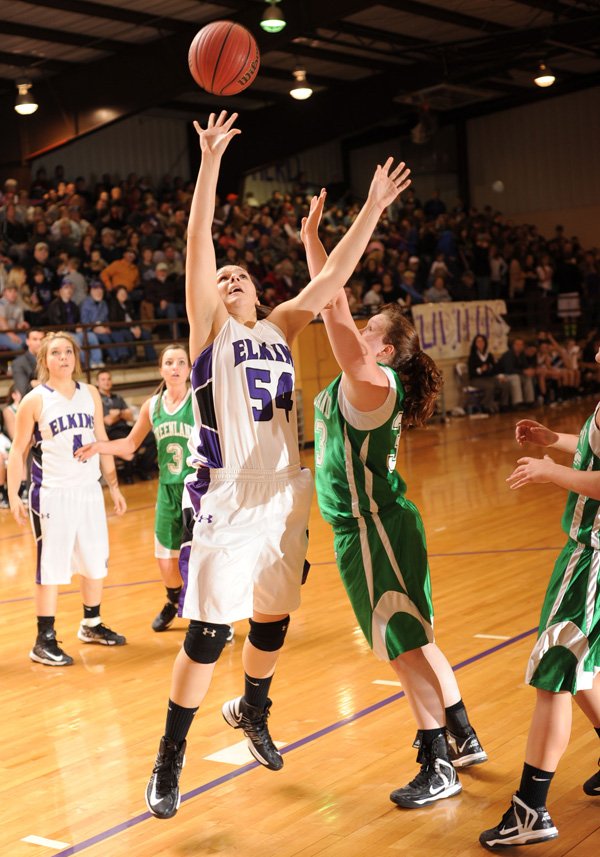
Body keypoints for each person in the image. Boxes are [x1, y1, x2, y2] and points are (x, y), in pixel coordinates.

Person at [144, 110, 411, 820]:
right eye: (221, 277)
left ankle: (253, 709)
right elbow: (198, 238)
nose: (228, 278)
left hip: (282, 496)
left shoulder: (281, 324)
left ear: (260, 293)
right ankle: (170, 756)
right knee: (206, 633)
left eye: (240, 276)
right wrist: (208, 163)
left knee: (271, 621)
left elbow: (335, 276)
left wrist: (373, 210)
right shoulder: (210, 331)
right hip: (229, 494)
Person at [303, 193, 486, 810]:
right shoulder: (358, 377)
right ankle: (460, 733)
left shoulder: (374, 378)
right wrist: (311, 240)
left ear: (383, 350)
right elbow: (332, 295)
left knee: (404, 647)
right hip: (369, 526)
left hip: (374, 525)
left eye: (370, 328)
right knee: (414, 639)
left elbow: (332, 307)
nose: (359, 327)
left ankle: (437, 760)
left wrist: (371, 209)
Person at [479, 413, 600, 848]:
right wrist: (556, 440)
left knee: (554, 674)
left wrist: (553, 472)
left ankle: (530, 809)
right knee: (579, 667)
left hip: (592, 560)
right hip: (587, 556)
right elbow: (594, 449)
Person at [6, 331, 127, 667]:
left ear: (76, 357)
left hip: (88, 490)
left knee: (94, 560)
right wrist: (15, 494)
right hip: (51, 495)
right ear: (44, 360)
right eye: (56, 353)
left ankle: (91, 623)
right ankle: (43, 640)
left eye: (69, 352)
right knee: (51, 567)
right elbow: (17, 452)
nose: (64, 358)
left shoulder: (90, 394)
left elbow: (102, 441)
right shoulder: (35, 400)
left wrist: (113, 487)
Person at [77, 345, 195, 630]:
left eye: (181, 362)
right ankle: (173, 600)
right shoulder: (152, 406)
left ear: (190, 368)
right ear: (161, 369)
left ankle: (216, 618)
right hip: (167, 489)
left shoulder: (200, 400)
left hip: (196, 489)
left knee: (201, 557)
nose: (176, 367)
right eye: (169, 362)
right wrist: (99, 446)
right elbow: (130, 444)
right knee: (165, 560)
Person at [96, 369, 156, 483]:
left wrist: (117, 413)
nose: (106, 382)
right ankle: (128, 474)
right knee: (125, 441)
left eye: (108, 379)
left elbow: (130, 417)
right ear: (98, 383)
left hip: (125, 427)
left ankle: (142, 468)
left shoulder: (117, 397)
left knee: (150, 437)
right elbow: (108, 421)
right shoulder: (97, 399)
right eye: (103, 380)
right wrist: (122, 413)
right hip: (110, 431)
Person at [11, 328, 44, 396]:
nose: (39, 343)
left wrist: (34, 383)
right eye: (35, 339)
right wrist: (44, 384)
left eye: (42, 339)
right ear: (27, 341)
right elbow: (23, 391)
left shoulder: (51, 358)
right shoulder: (19, 363)